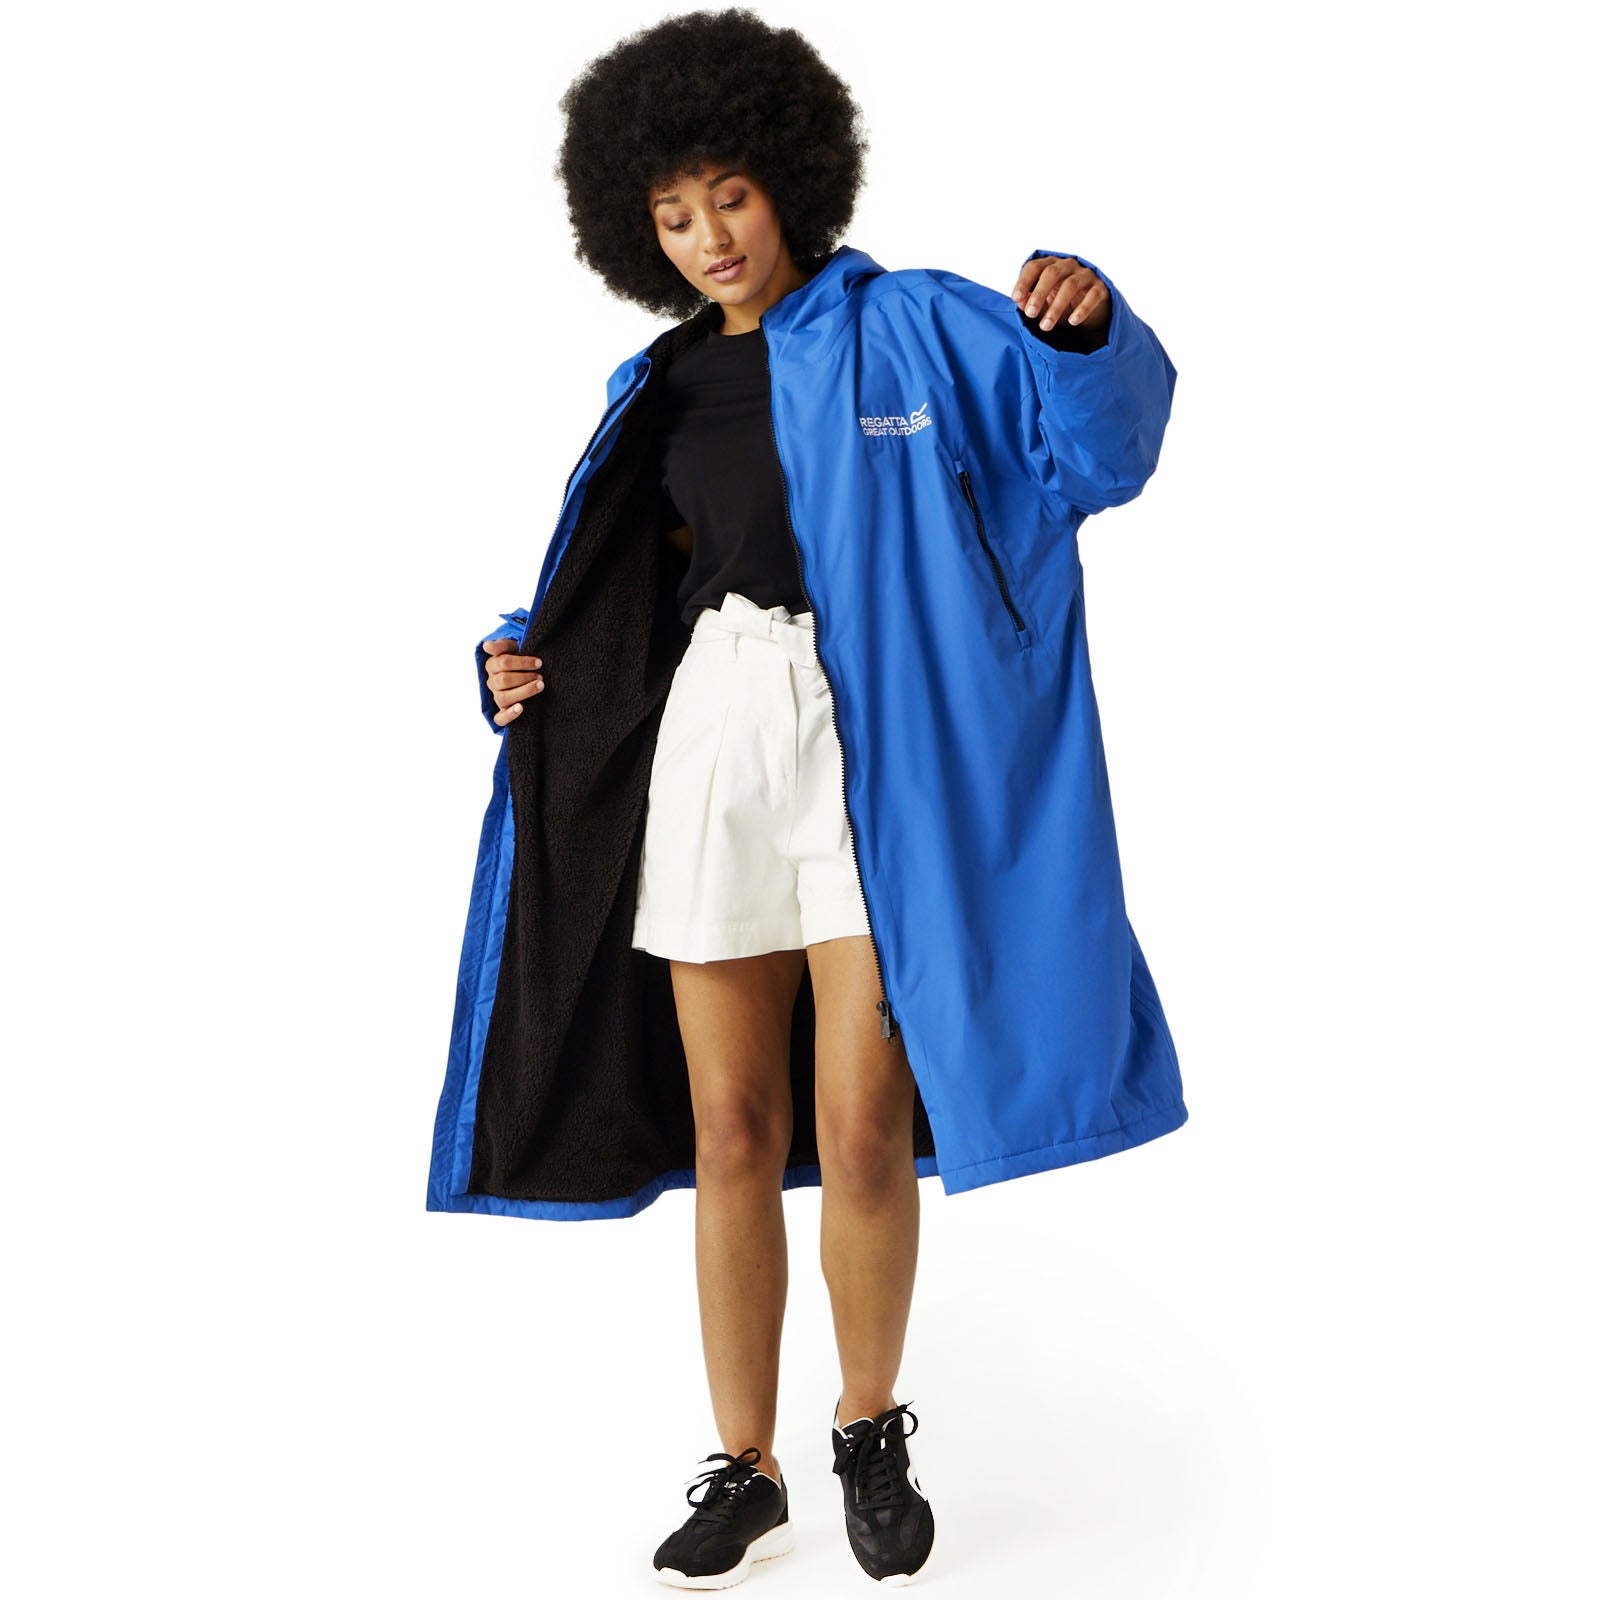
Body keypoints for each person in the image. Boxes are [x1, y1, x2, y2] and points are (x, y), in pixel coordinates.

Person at [449, 6, 1185, 1588]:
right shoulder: (655, 386)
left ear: (789, 178)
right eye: (672, 215)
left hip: (877, 749)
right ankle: (745, 1465)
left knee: (861, 1121)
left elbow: (1095, 458)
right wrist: (514, 657)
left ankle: (865, 1427)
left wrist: (1086, 334)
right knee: (729, 1126)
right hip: (718, 737)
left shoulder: (915, 326)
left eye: (729, 194)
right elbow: (627, 594)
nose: (710, 235)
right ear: (637, 233)